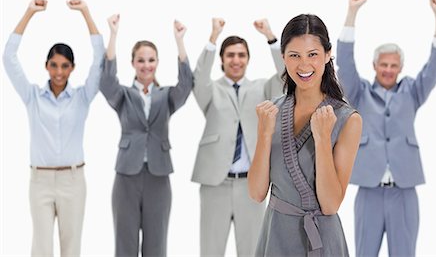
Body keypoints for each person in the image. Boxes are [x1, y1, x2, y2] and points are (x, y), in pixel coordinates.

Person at [336, 0, 436, 256]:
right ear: (374, 65)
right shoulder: (360, 93)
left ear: (400, 67)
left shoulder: (413, 91)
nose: (388, 69)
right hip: (369, 191)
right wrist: (352, 13)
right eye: (383, 64)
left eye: (393, 65)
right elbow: (345, 65)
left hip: (405, 191)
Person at [248, 14, 362, 257]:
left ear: (327, 55)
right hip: (275, 236)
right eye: (294, 55)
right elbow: (257, 193)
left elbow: (331, 204)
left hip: (321, 238)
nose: (304, 65)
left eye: (312, 54)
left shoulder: (347, 119)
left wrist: (322, 140)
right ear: (283, 58)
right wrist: (264, 134)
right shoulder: (271, 112)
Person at [2, 0, 104, 256]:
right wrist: (29, 13)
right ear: (46, 66)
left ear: (72, 68)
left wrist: (85, 12)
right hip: (40, 182)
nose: (59, 72)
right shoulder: (32, 96)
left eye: (65, 66)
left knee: (71, 249)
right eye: (54, 65)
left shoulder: (82, 97)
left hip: (73, 180)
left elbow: (100, 59)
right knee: (42, 249)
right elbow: (9, 57)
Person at [99, 14, 193, 257]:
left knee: (156, 245)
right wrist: (113, 34)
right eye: (141, 60)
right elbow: (106, 83)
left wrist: (179, 41)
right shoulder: (124, 95)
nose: (146, 65)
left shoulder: (166, 96)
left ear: (158, 62)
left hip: (158, 176)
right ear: (133, 63)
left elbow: (186, 85)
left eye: (151, 60)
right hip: (126, 176)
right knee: (125, 243)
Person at [191, 18, 284, 256]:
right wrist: (213, 37)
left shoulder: (262, 89)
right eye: (230, 55)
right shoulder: (211, 90)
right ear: (222, 59)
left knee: (253, 249)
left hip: (251, 184)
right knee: (210, 250)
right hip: (215, 183)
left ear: (248, 59)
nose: (236, 60)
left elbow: (286, 76)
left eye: (241, 55)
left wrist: (271, 38)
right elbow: (199, 78)